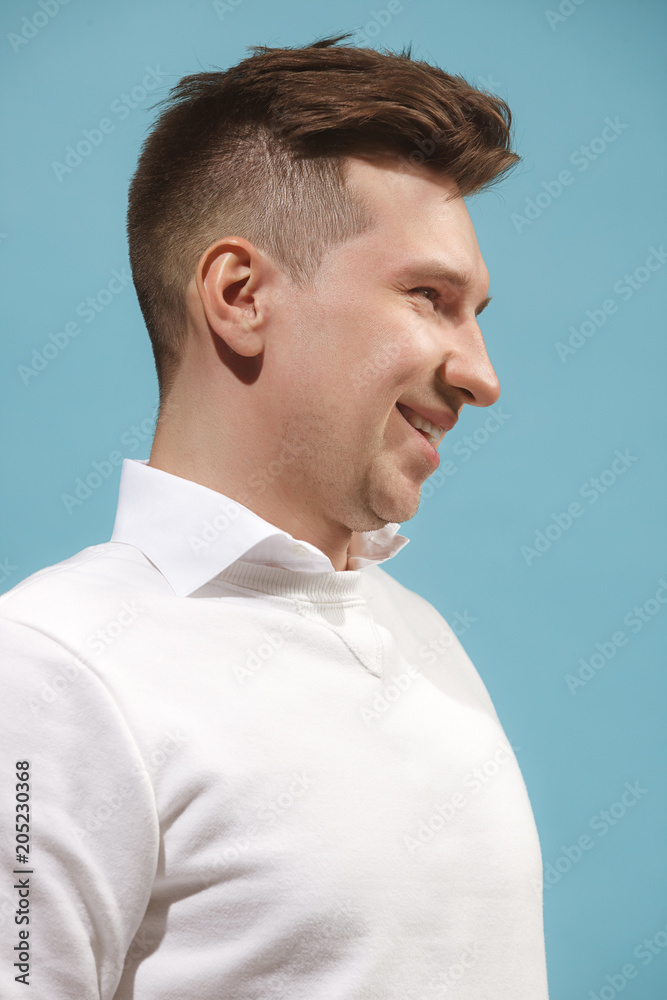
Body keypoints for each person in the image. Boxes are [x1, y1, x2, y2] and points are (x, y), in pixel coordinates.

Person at [0, 33, 549, 999]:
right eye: (429, 298)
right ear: (241, 296)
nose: (481, 375)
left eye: (477, 313)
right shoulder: (48, 670)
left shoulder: (420, 639)